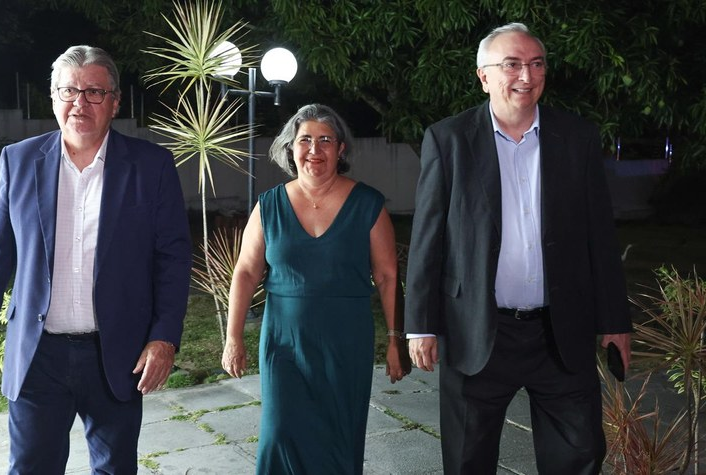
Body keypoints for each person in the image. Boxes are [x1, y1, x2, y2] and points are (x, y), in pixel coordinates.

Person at [405, 23, 632, 475]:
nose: (526, 76)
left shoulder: (577, 138)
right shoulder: (448, 140)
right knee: (468, 460)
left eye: (536, 64)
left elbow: (600, 237)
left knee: (579, 456)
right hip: (477, 331)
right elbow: (428, 240)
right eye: (512, 64)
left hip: (560, 333)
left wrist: (614, 321)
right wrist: (420, 326)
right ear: (484, 76)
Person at [0, 45, 192, 473]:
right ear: (53, 98)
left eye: (94, 92)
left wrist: (164, 338)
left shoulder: (151, 166)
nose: (79, 102)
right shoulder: (19, 161)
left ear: (115, 102)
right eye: (68, 91)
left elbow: (173, 261)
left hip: (118, 353)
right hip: (38, 355)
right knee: (31, 467)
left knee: (115, 468)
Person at [221, 103, 410, 474]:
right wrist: (233, 338)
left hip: (346, 344)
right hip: (284, 343)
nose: (314, 149)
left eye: (325, 140)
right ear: (291, 148)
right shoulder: (269, 206)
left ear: (341, 149)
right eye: (305, 140)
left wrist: (395, 340)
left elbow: (388, 276)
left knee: (338, 440)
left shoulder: (368, 204)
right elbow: (245, 272)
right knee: (280, 436)